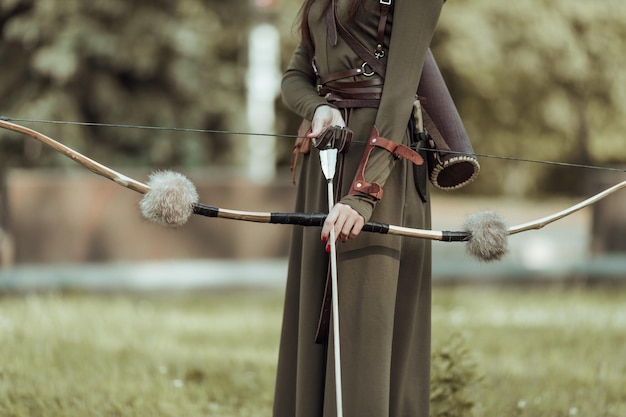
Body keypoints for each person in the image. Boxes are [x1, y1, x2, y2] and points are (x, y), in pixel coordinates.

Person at [273, 1, 448, 416]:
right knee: (316, 314)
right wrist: (318, 107)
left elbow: (401, 93)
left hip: (382, 167)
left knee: (366, 326)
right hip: (327, 152)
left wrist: (364, 193)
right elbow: (296, 76)